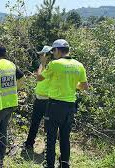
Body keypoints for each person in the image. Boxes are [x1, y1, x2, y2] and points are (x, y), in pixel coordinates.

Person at [36, 39, 89, 168]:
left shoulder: (55, 64)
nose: (53, 53)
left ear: (58, 50)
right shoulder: (78, 64)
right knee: (65, 137)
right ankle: (64, 164)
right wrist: (70, 85)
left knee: (51, 136)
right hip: (70, 105)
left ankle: (49, 164)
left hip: (54, 105)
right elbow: (84, 86)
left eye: (53, 50)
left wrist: (42, 63)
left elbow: (39, 78)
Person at [22, 46, 53, 150]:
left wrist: (42, 63)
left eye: (41, 55)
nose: (39, 56)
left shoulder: (51, 67)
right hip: (40, 99)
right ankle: (29, 143)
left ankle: (48, 147)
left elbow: (39, 78)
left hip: (48, 100)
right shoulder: (45, 67)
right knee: (35, 123)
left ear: (46, 55)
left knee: (48, 126)